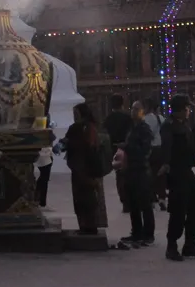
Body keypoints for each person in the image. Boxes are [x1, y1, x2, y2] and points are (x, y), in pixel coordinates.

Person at [160, 94, 195, 261]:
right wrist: (166, 165)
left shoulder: (184, 124)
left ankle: (190, 244)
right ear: (180, 109)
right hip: (176, 171)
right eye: (187, 108)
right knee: (178, 210)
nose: (189, 111)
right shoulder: (169, 126)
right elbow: (166, 146)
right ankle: (172, 246)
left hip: (187, 170)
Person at [62, 103, 107, 235]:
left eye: (76, 113)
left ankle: (88, 225)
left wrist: (68, 143)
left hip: (84, 167)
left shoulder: (83, 128)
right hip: (83, 167)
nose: (74, 116)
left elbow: (88, 146)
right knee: (84, 198)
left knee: (85, 198)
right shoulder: (86, 127)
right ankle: (87, 225)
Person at [121, 101, 156, 246]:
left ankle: (148, 234)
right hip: (131, 169)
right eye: (132, 108)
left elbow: (145, 150)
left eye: (137, 109)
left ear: (143, 111)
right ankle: (136, 232)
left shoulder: (144, 129)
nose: (133, 111)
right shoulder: (132, 128)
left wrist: (128, 148)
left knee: (145, 203)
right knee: (133, 203)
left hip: (141, 170)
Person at [103, 94, 133, 213]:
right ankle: (130, 200)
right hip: (127, 148)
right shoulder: (128, 117)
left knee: (119, 175)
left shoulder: (108, 119)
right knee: (129, 174)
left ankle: (124, 200)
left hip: (114, 148)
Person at [143, 98, 167, 211]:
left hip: (150, 149)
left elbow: (145, 135)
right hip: (161, 149)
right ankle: (162, 197)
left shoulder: (146, 119)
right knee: (161, 174)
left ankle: (152, 198)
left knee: (150, 174)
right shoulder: (161, 118)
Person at [35, 141, 53, 208]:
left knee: (44, 178)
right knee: (44, 179)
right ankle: (40, 201)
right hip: (43, 154)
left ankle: (40, 201)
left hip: (46, 154)